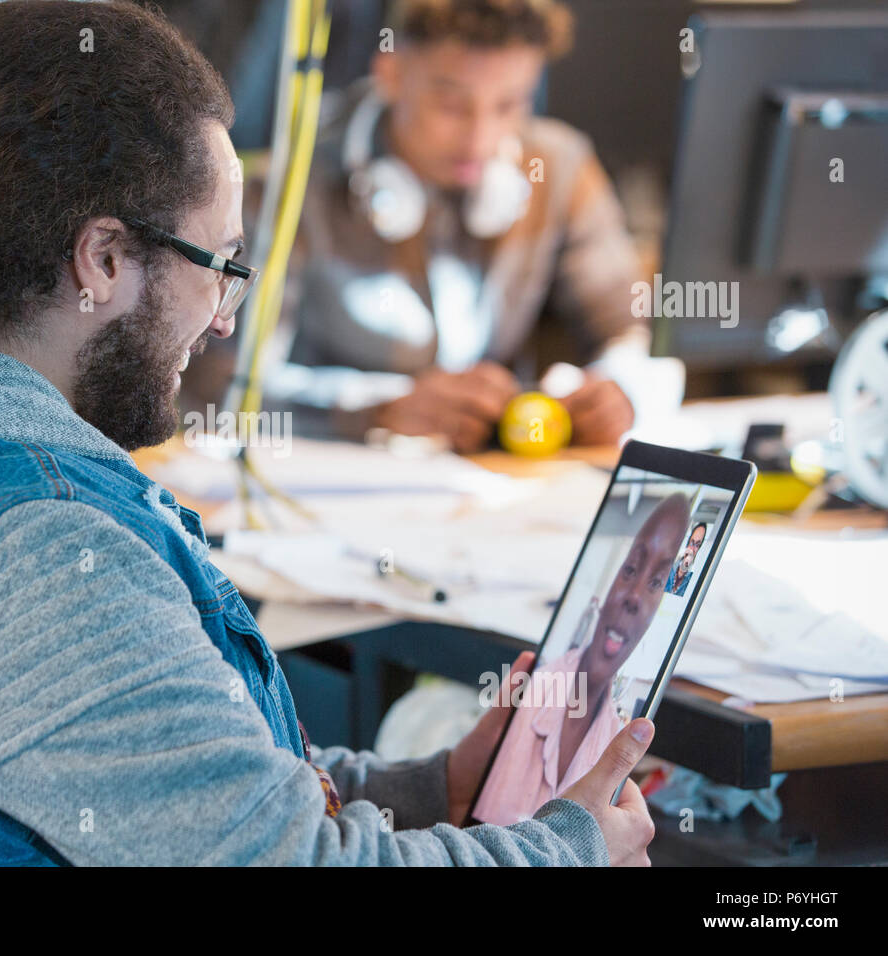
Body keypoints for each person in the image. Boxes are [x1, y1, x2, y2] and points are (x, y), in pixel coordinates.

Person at [0, 1, 657, 866]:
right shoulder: (39, 548)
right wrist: (567, 847)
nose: (226, 312)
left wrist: (434, 788)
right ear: (102, 260)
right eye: (221, 265)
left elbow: (172, 780)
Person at [197, 0, 670, 452]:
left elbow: (627, 328)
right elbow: (218, 386)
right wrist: (376, 411)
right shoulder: (289, 184)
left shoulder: (560, 168)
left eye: (508, 105)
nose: (480, 138)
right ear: (390, 72)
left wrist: (621, 387)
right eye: (451, 106)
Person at [473, 493, 691, 825]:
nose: (633, 597)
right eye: (630, 570)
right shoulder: (537, 690)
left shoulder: (614, 737)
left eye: (656, 582)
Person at [666, 521, 707, 596]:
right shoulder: (669, 567)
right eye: (692, 542)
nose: (692, 549)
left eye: (697, 545)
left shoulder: (693, 580)